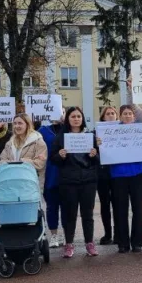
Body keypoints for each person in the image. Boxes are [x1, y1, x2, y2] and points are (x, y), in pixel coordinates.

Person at [102, 104, 142, 253]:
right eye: (124, 114)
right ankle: (123, 243)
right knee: (120, 209)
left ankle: (137, 242)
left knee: (138, 208)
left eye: (130, 114)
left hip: (138, 173)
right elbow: (105, 148)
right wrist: (101, 143)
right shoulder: (111, 131)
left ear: (134, 116)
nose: (127, 116)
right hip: (118, 174)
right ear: (120, 116)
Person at [50, 107, 100, 258]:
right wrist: (60, 155)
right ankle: (69, 244)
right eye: (73, 116)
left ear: (82, 118)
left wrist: (94, 155)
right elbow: (53, 159)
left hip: (88, 180)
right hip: (68, 181)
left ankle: (89, 243)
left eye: (78, 116)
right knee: (69, 214)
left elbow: (99, 160)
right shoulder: (60, 137)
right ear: (68, 119)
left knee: (88, 214)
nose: (76, 119)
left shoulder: (90, 136)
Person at [37, 115, 64, 248]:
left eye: (61, 111)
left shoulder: (70, 129)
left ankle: (67, 234)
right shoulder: (42, 131)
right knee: (51, 207)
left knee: (67, 208)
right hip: (50, 174)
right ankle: (53, 235)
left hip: (68, 174)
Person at [0, 113, 48, 185]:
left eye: (20, 123)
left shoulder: (38, 142)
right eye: (15, 123)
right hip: (12, 183)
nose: (17, 126)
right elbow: (2, 161)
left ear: (27, 125)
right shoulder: (9, 143)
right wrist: (14, 164)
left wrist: (21, 162)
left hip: (31, 185)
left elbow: (39, 164)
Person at [96, 107, 119, 245]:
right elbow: (92, 154)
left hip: (118, 173)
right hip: (103, 174)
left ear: (116, 116)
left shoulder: (122, 130)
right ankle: (107, 233)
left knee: (118, 204)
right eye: (107, 114)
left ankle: (118, 233)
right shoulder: (96, 133)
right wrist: (97, 145)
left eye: (112, 113)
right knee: (104, 204)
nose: (110, 115)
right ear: (103, 117)